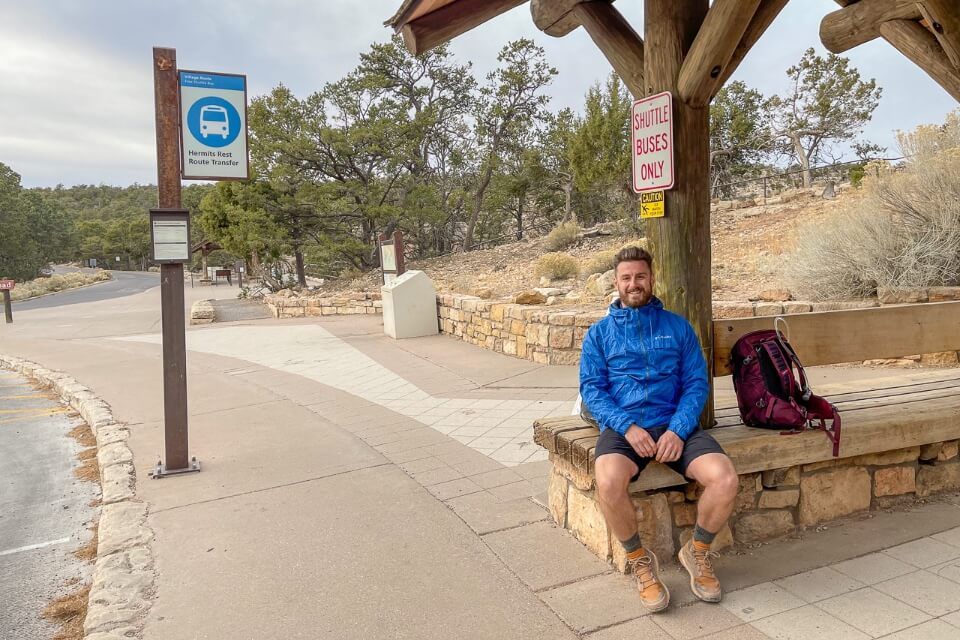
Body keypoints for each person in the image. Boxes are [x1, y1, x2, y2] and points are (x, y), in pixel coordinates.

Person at [579, 246, 738, 612]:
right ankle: (640, 560)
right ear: (617, 283)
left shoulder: (677, 328)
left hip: (674, 425)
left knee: (725, 479)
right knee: (607, 481)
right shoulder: (600, 335)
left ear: (651, 279)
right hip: (625, 427)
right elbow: (592, 388)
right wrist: (626, 426)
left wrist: (678, 430)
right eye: (626, 278)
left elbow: (696, 384)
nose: (634, 284)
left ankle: (696, 552)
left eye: (640, 276)